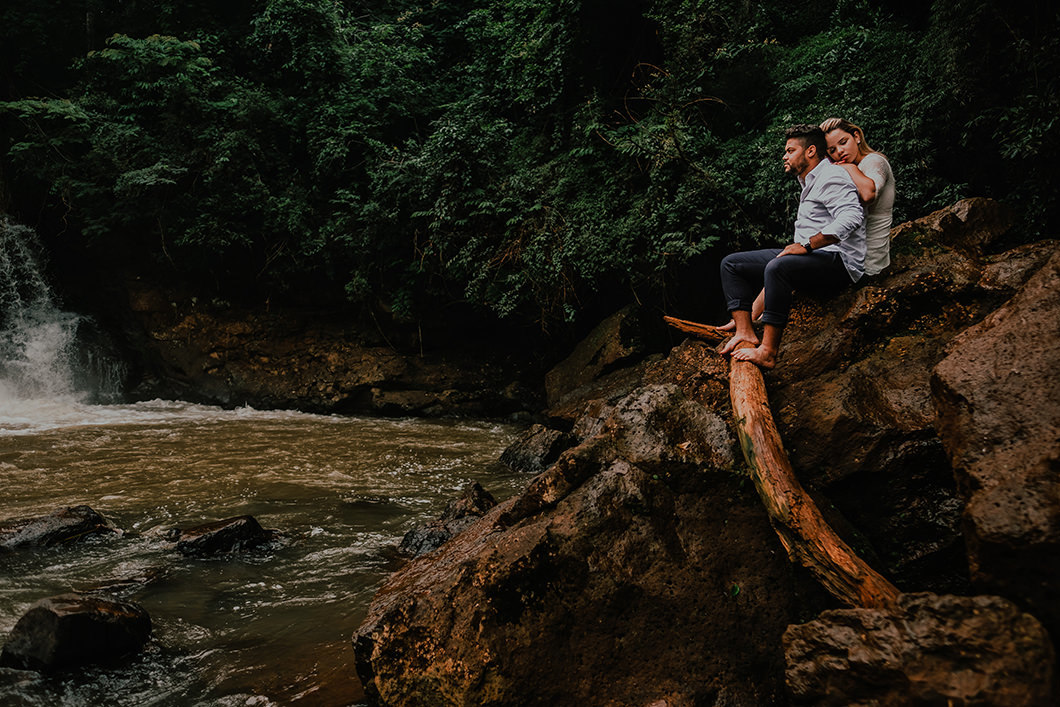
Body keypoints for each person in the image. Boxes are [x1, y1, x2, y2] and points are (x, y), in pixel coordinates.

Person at [718, 124, 866, 368]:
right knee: (732, 264)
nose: (784, 156)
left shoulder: (831, 177)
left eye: (790, 151)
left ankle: (768, 351)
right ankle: (745, 332)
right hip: (813, 256)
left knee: (778, 268)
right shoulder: (809, 180)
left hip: (839, 262)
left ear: (810, 151)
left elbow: (851, 217)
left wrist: (807, 245)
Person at [820, 117, 895, 275]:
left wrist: (849, 167)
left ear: (857, 136)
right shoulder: (849, 168)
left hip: (868, 263)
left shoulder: (874, 161)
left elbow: (868, 195)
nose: (840, 151)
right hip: (850, 255)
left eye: (843, 142)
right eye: (832, 150)